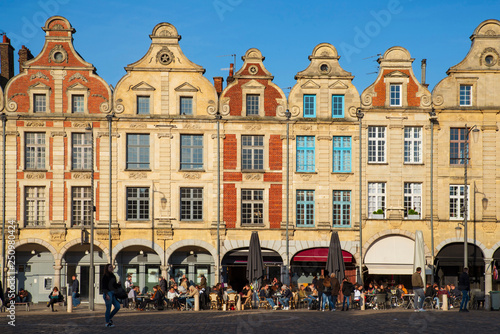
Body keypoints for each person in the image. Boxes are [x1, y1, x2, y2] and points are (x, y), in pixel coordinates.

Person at [101, 263, 121, 328]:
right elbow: (104, 286)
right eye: (110, 267)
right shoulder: (105, 276)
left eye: (112, 267)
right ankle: (107, 322)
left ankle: (109, 318)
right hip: (108, 293)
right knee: (108, 308)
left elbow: (114, 285)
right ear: (107, 268)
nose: (111, 268)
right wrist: (106, 294)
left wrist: (118, 284)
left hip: (113, 293)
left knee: (117, 306)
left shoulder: (113, 276)